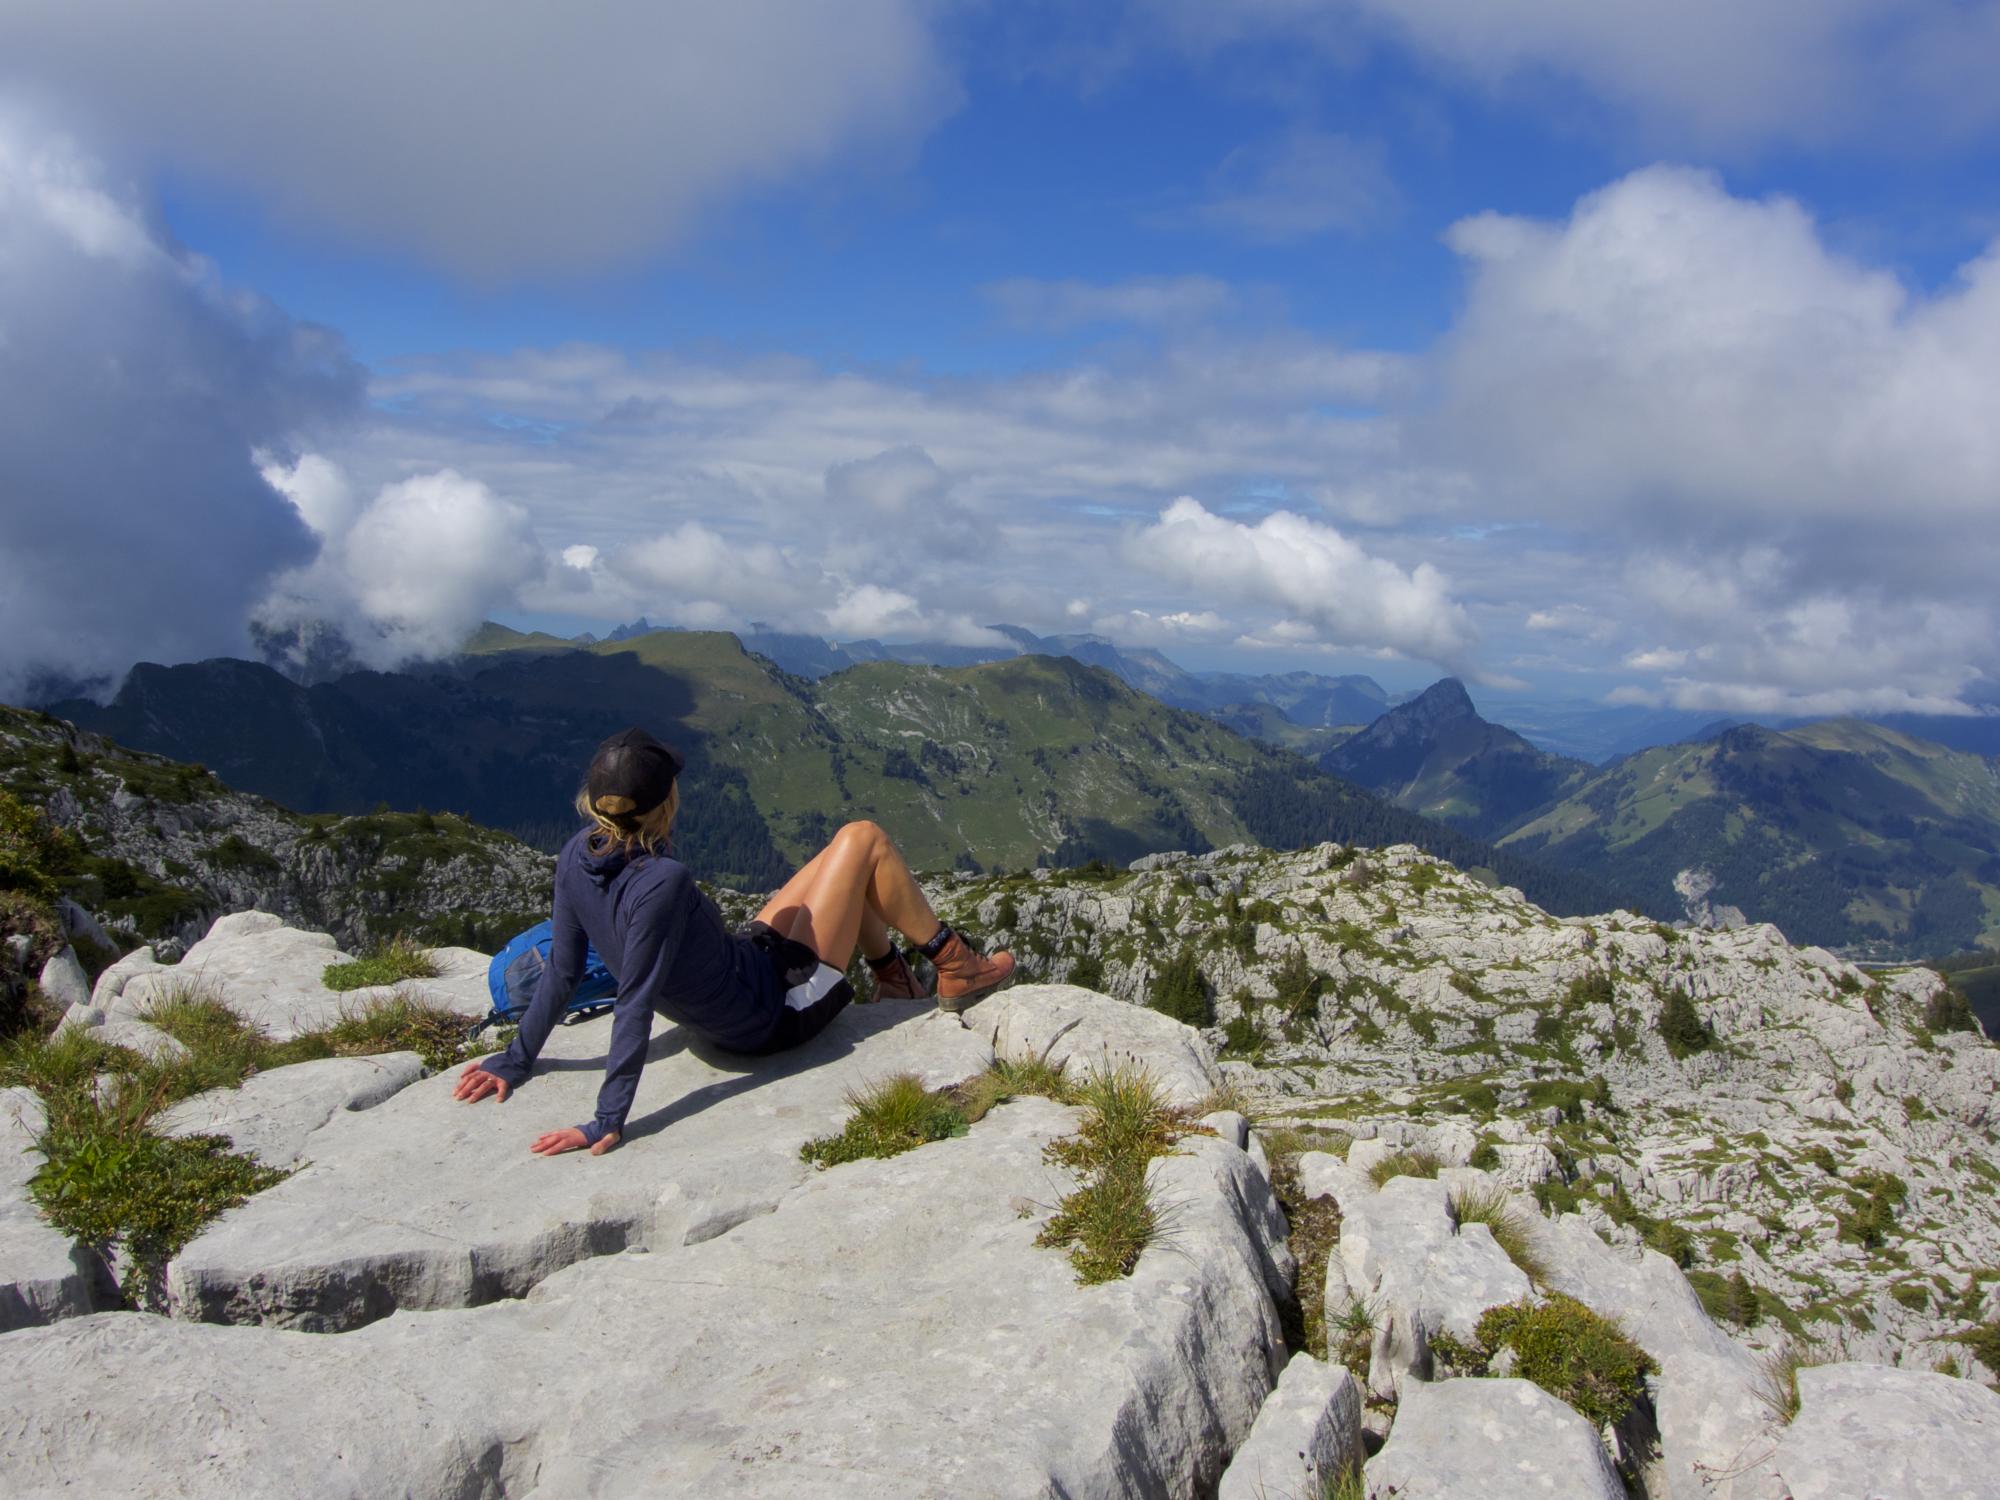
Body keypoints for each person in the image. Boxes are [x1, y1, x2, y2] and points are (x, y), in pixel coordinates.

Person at [452, 727, 1014, 1156]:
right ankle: (955, 963)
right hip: (771, 1016)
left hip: (747, 972)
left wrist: (518, 1059)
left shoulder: (579, 852)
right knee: (864, 838)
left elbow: (563, 971)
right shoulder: (662, 881)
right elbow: (635, 1004)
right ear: (664, 803)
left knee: (842, 857)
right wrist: (607, 1119)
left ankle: (895, 981)